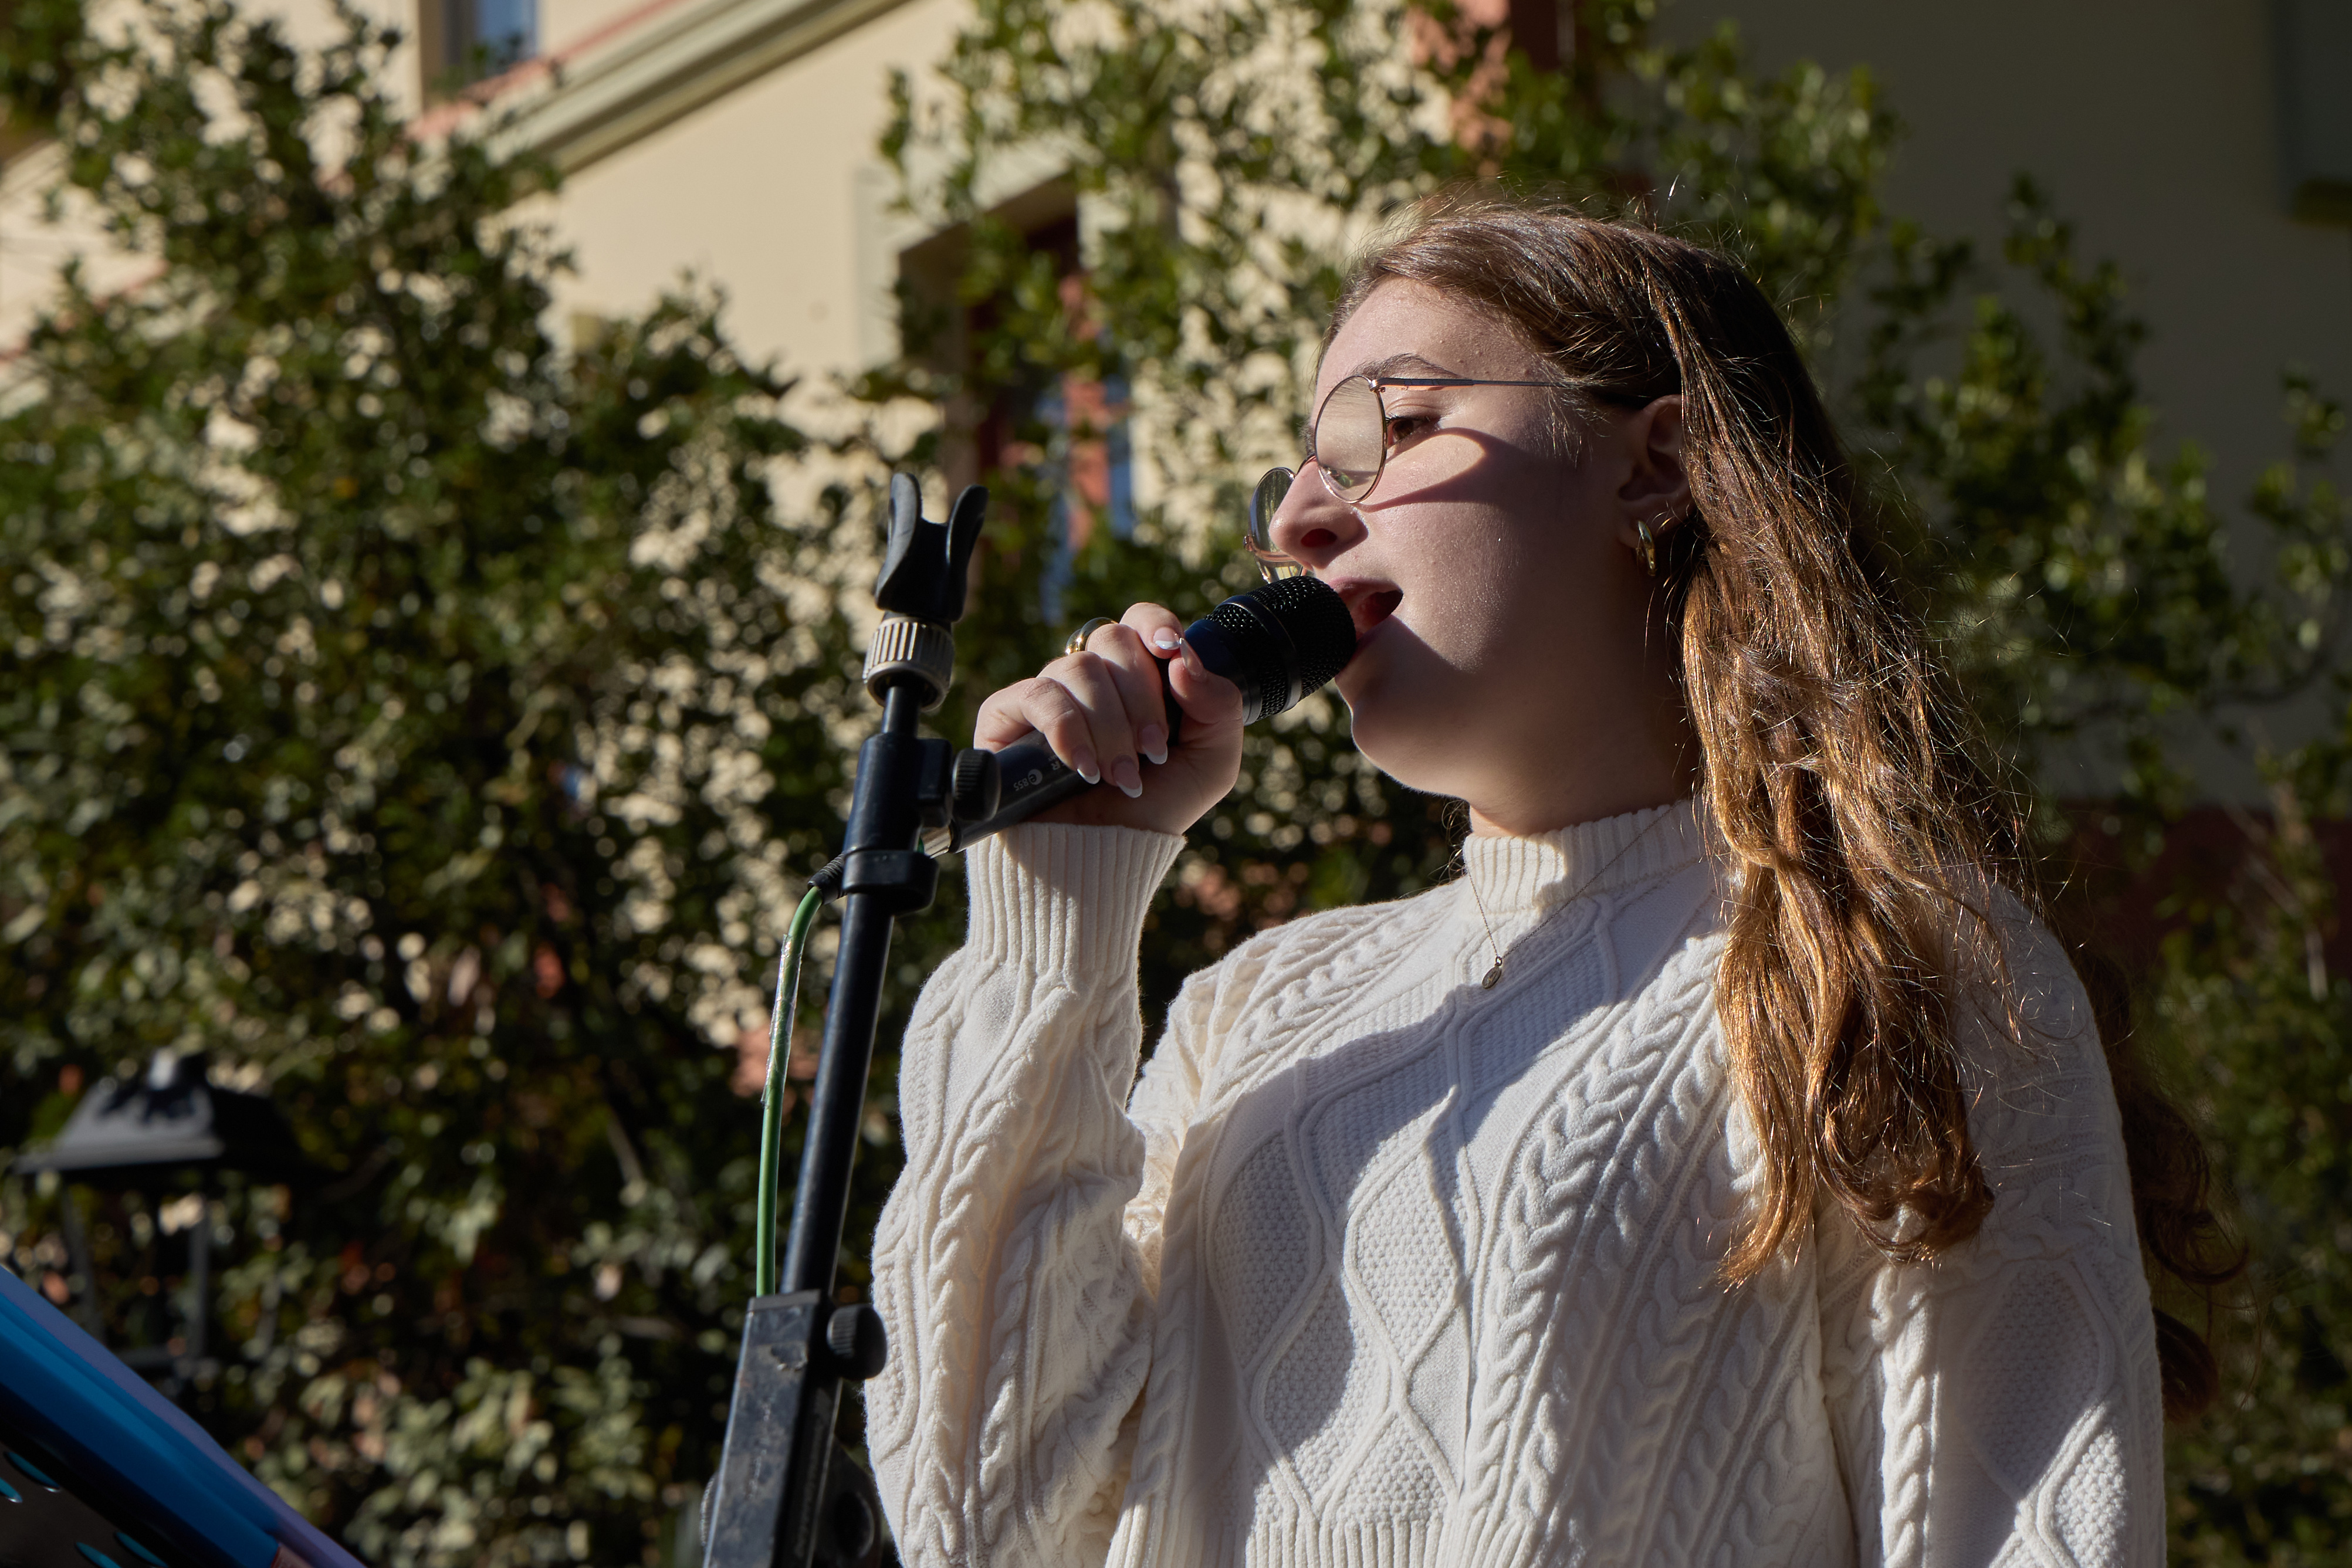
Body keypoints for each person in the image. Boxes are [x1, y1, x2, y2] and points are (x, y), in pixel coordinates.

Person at [864, 194, 2222, 1568]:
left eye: (1390, 430)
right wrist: (1064, 911)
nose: (1299, 520)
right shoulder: (1252, 1012)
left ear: (1655, 461)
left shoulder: (1886, 965)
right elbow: (976, 1524)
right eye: (1292, 472)